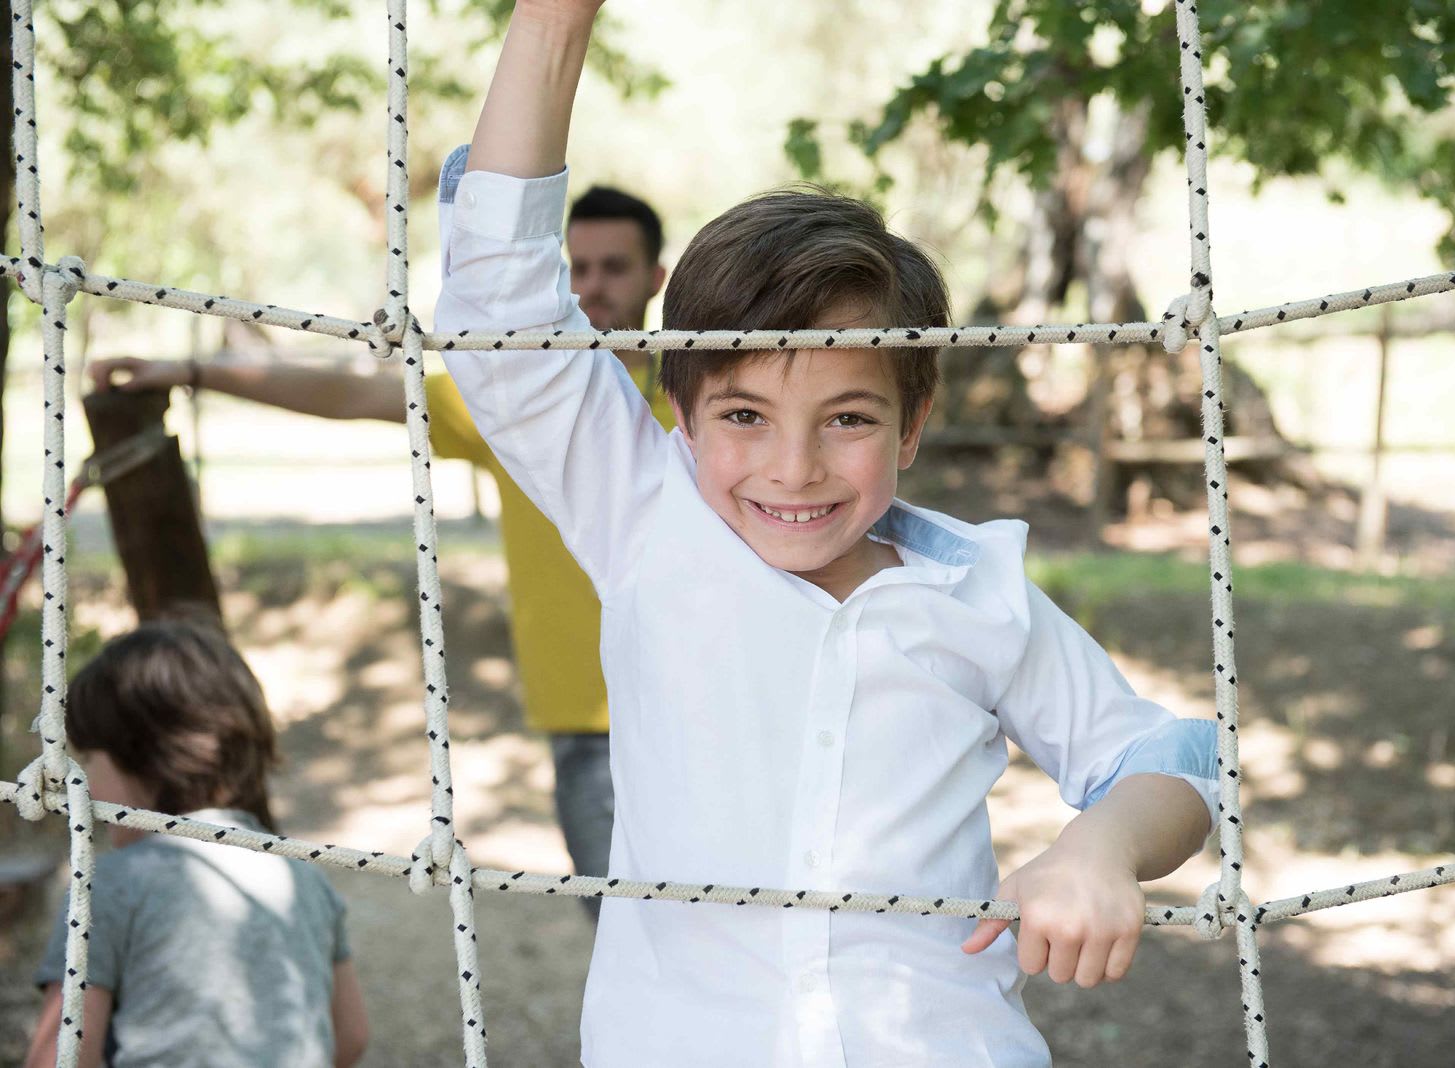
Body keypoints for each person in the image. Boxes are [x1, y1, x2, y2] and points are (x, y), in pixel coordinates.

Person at [432, 2, 1220, 1064]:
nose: (792, 469)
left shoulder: (972, 591)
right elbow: (497, 305)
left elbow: (1167, 756)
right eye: (744, 417)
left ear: (913, 424)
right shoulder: (648, 517)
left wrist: (1102, 846)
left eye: (847, 418)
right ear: (678, 413)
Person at [88, 183, 676, 919]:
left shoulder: (697, 400)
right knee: (627, 931)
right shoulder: (525, 405)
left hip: (696, 705)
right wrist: (189, 372)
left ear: (655, 278)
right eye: (577, 269)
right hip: (586, 732)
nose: (592, 287)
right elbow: (351, 393)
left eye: (614, 268)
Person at [24, 618, 369, 1068]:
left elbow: (59, 1058)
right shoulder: (302, 873)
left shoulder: (104, 888)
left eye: (89, 758)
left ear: (145, 756)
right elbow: (352, 1037)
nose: (82, 782)